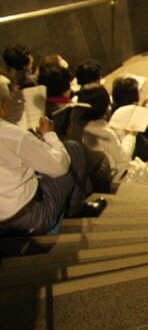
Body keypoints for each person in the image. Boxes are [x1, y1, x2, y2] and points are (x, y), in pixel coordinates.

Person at [1, 75, 105, 237]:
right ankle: (76, 210)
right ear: (2, 105)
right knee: (73, 149)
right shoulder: (15, 136)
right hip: (29, 218)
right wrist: (49, 134)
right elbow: (60, 167)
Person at [79, 83, 148, 179]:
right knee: (137, 139)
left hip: (102, 167)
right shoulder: (104, 133)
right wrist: (131, 135)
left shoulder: (80, 126)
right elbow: (123, 157)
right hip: (117, 172)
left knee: (135, 137)